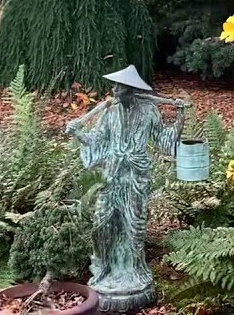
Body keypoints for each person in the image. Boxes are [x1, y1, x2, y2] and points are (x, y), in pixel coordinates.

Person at [67, 65, 186, 311]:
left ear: (130, 90)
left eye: (118, 87)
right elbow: (97, 140)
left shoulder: (149, 111)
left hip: (135, 177)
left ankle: (133, 271)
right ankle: (104, 268)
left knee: (134, 226)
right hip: (111, 176)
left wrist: (180, 118)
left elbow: (164, 139)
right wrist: (78, 133)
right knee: (102, 223)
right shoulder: (109, 112)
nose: (113, 90)